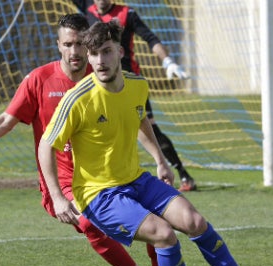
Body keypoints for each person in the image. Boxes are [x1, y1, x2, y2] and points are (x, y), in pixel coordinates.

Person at [38, 21, 273, 266]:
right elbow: (45, 146)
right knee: (164, 235)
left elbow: (140, 119)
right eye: (94, 53)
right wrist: (58, 197)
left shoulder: (137, 85)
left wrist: (160, 160)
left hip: (136, 179)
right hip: (99, 195)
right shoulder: (77, 99)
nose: (100, 60)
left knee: (195, 221)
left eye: (107, 52)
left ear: (120, 52)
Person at [0, 14, 180, 266]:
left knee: (154, 220)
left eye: (81, 44)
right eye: (68, 44)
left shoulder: (105, 78)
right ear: (58, 45)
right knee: (89, 225)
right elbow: (6, 121)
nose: (75, 52)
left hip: (111, 176)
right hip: (66, 183)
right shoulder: (39, 80)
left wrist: (159, 158)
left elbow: (136, 119)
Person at [71, 0, 197, 192]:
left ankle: (182, 173)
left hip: (128, 82)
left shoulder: (127, 14)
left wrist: (168, 62)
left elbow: (150, 38)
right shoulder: (87, 11)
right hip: (100, 85)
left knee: (150, 127)